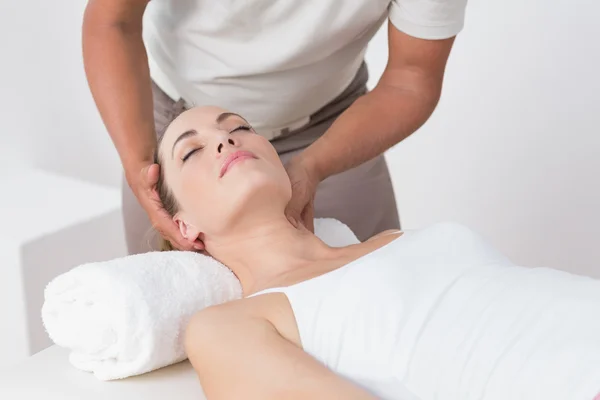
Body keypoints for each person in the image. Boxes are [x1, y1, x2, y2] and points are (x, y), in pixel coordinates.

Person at [155, 106, 600, 400]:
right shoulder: (228, 326)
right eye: (191, 151)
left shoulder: (389, 239)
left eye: (239, 128)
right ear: (183, 226)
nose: (226, 140)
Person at [82, 0, 468, 254]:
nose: (230, 142)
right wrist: (139, 163)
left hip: (334, 125)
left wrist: (314, 165)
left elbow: (411, 78)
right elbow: (112, 21)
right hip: (173, 114)